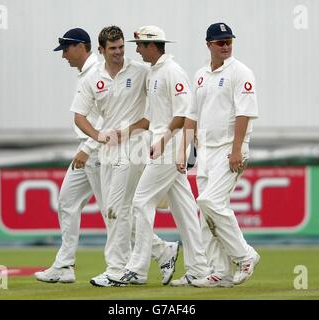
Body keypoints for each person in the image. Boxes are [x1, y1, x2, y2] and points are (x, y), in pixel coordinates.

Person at [70, 26, 179, 287]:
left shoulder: (140, 71)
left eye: (121, 47)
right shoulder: (91, 77)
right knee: (115, 212)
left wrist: (127, 131)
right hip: (107, 150)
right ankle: (162, 250)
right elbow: (79, 115)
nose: (118, 53)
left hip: (135, 146)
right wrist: (97, 136)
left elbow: (153, 113)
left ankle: (117, 268)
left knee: (117, 208)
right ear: (101, 50)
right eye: (113, 49)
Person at [108, 25, 209, 286]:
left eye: (139, 45)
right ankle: (198, 270)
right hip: (162, 144)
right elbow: (154, 117)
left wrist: (168, 143)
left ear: (152, 46)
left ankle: (138, 269)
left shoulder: (172, 71)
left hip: (170, 147)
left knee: (141, 201)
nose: (137, 50)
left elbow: (185, 114)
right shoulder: (155, 72)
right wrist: (128, 131)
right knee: (184, 208)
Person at [176, 22, 260, 287]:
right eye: (220, 42)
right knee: (207, 212)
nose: (225, 46)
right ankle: (220, 271)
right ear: (209, 45)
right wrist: (184, 151)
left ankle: (245, 255)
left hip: (229, 149)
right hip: (205, 152)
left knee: (210, 202)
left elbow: (245, 113)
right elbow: (191, 116)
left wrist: (236, 150)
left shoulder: (241, 72)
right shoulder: (200, 74)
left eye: (229, 41)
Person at [35, 28, 104, 283]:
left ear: (80, 47)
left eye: (66, 50)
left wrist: (88, 148)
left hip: (98, 152)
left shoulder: (98, 73)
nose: (64, 56)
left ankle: (161, 251)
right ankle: (64, 265)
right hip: (86, 151)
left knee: (113, 212)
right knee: (67, 201)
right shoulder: (87, 73)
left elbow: (109, 117)